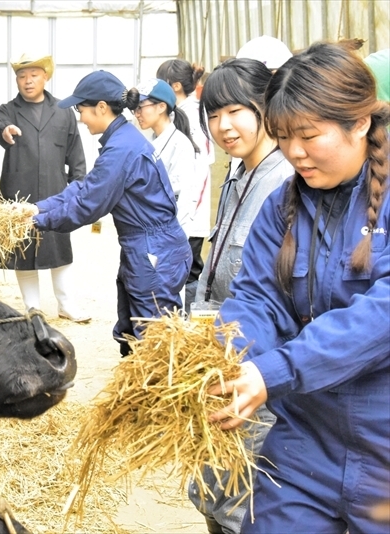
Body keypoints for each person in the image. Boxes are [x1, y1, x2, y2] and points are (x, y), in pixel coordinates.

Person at [207, 42, 390, 534]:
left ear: (360, 123)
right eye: (283, 136)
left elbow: (382, 315)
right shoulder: (282, 207)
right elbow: (259, 299)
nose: (294, 152)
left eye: (308, 135)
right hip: (304, 441)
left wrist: (278, 370)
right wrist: (229, 357)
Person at [187, 57, 295, 534]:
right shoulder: (235, 174)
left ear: (266, 107)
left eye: (236, 111)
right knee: (210, 487)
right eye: (213, 115)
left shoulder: (288, 181)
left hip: (257, 359)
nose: (223, 126)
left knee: (243, 496)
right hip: (218, 349)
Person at [25, 70, 192, 356]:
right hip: (147, 247)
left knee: (154, 339)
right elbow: (86, 187)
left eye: (82, 110)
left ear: (101, 107)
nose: (80, 118)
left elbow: (88, 205)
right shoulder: (121, 141)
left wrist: (37, 222)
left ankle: (152, 398)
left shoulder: (121, 149)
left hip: (153, 251)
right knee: (133, 332)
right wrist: (38, 207)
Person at [0, 53, 89, 322]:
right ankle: (32, 307)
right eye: (21, 76)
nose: (27, 81)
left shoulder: (62, 111)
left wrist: (80, 183)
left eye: (33, 75)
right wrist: (5, 129)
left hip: (55, 192)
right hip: (18, 192)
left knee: (59, 246)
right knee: (24, 250)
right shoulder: (8, 110)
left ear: (45, 76)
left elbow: (75, 151)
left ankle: (66, 304)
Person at [134, 77, 204, 307]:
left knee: (168, 302)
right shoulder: (151, 140)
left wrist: (174, 244)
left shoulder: (179, 145)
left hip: (170, 237)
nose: (137, 114)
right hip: (151, 233)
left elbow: (186, 198)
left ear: (161, 106)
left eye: (141, 107)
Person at [156, 59, 213, 311]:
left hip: (189, 210)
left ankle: (188, 320)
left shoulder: (194, 115)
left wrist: (187, 213)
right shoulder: (177, 113)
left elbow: (201, 166)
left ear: (175, 86)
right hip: (177, 208)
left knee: (188, 269)